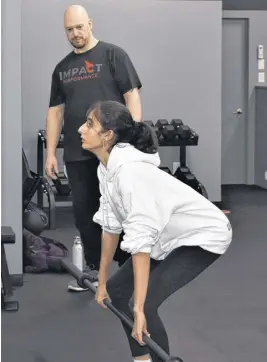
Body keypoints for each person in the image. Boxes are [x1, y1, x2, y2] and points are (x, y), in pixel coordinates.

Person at [77, 100, 233, 362]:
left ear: (108, 135)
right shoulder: (107, 169)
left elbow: (140, 243)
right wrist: (102, 282)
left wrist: (138, 310)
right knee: (117, 292)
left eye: (89, 124)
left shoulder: (130, 174)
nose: (81, 129)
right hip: (168, 235)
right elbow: (110, 226)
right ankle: (142, 359)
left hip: (204, 234)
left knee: (145, 306)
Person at [45, 5, 142, 292]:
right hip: (78, 151)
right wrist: (51, 152)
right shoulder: (62, 69)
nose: (75, 33)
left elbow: (131, 95)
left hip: (114, 150)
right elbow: (55, 112)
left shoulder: (113, 55)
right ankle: (92, 268)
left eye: (79, 27)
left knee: (122, 210)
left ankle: (129, 269)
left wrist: (132, 139)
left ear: (90, 24)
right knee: (84, 212)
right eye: (69, 30)